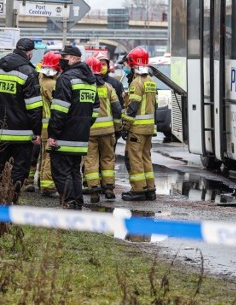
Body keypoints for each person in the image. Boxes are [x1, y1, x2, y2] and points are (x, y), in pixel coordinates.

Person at [0, 38, 43, 200]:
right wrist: (37, 132)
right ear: (29, 53)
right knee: (20, 168)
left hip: (3, 128)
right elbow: (34, 107)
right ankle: (11, 199)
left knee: (2, 164)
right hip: (23, 131)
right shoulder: (28, 72)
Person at [47, 45, 99, 209]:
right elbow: (95, 109)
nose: (61, 60)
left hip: (64, 135)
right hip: (81, 137)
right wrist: (84, 125)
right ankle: (77, 202)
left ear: (72, 58)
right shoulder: (91, 80)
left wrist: (53, 134)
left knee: (60, 172)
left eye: (64, 57)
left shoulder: (66, 78)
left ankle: (69, 203)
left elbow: (59, 110)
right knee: (74, 171)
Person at [82, 57, 122, 202]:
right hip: (107, 131)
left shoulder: (85, 88)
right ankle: (109, 188)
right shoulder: (108, 87)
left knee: (91, 160)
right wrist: (117, 128)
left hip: (89, 132)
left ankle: (93, 191)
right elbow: (117, 109)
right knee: (108, 159)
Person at [121, 47, 157, 201]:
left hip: (137, 128)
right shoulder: (150, 81)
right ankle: (150, 189)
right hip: (149, 128)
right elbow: (154, 105)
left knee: (135, 158)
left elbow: (132, 107)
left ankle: (138, 190)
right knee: (146, 158)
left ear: (132, 63)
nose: (126, 66)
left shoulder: (136, 82)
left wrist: (125, 127)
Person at [38, 51, 61, 196]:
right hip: (49, 125)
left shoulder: (40, 80)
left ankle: (42, 182)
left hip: (41, 124)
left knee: (43, 155)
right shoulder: (52, 84)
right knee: (50, 156)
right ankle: (47, 186)